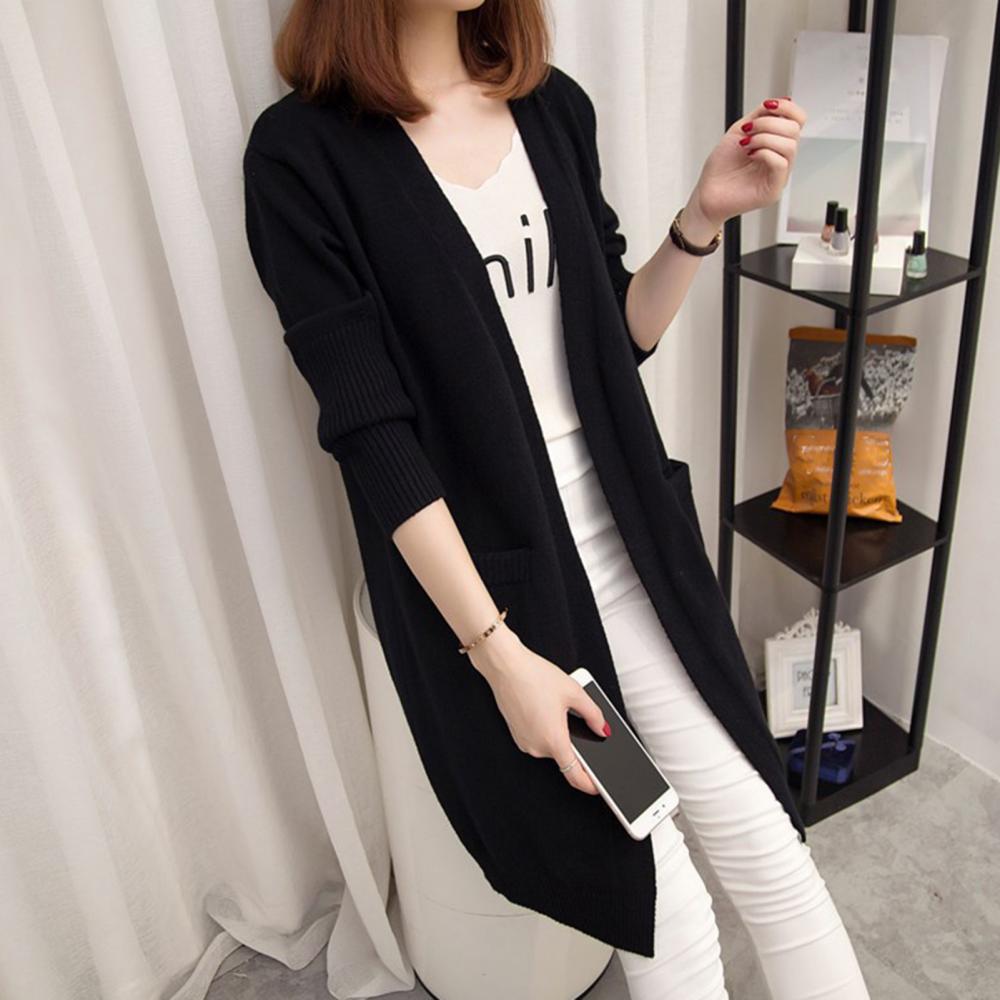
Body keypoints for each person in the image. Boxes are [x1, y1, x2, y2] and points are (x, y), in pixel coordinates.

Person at [243, 1, 872, 996]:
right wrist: (502, 659)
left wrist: (701, 218)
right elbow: (374, 438)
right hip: (516, 609)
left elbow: (610, 342)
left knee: (769, 846)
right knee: (662, 903)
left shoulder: (550, 108)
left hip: (635, 559)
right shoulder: (302, 158)